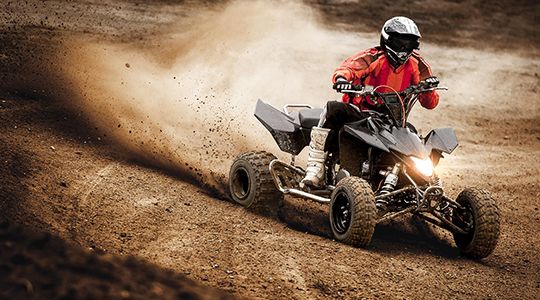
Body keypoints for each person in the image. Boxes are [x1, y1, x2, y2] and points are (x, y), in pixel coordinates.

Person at [301, 16, 440, 188]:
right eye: (399, 44)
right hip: (359, 114)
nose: (404, 49)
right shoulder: (372, 57)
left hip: (392, 120)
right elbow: (347, 69)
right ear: (387, 40)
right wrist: (343, 79)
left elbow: (430, 103)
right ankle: (315, 168)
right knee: (333, 108)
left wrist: (427, 89)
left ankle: (416, 183)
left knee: (411, 135)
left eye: (409, 44)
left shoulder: (417, 64)